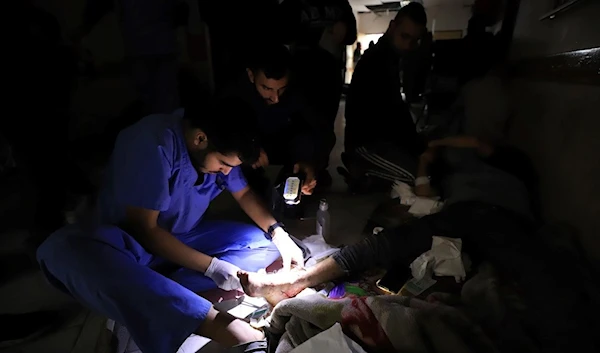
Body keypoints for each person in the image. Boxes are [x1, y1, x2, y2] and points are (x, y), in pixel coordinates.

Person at [239, 136, 593, 353]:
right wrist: (427, 160)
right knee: (392, 242)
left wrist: (439, 145)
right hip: (462, 216)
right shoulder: (453, 173)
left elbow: (481, 143)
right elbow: (423, 191)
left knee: (537, 280)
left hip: (499, 218)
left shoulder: (504, 166)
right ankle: (297, 281)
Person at [36, 98, 306, 353]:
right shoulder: (152, 144)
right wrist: (213, 267)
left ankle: (152, 292)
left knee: (262, 243)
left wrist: (278, 233)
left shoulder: (217, 145)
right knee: (61, 250)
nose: (226, 172)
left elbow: (244, 193)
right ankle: (234, 331)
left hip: (183, 235)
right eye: (224, 165)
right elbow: (147, 231)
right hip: (131, 245)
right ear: (200, 138)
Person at [219, 44, 333, 200]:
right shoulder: (234, 93)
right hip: (252, 150)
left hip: (285, 145)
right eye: (266, 88)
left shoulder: (298, 91)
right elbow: (222, 130)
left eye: (281, 89)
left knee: (306, 144)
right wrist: (249, 149)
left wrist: (312, 163)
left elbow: (323, 130)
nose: (276, 98)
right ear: (251, 76)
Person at [342, 3, 427, 190]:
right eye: (405, 37)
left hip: (379, 139)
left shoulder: (391, 59)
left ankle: (367, 175)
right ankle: (361, 170)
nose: (408, 45)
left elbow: (396, 112)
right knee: (417, 175)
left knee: (422, 169)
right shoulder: (377, 61)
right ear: (392, 27)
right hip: (366, 143)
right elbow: (391, 114)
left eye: (413, 40)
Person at [279, 0, 357, 186]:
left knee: (325, 126)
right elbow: (281, 32)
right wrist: (317, 36)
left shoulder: (341, 4)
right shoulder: (295, 4)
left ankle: (318, 170)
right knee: (300, 123)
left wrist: (344, 29)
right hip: (301, 73)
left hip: (330, 73)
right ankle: (296, 169)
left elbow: (351, 35)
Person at [72, 0, 186, 114]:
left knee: (150, 98)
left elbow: (97, 8)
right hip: (162, 44)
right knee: (166, 99)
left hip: (140, 45)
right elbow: (180, 11)